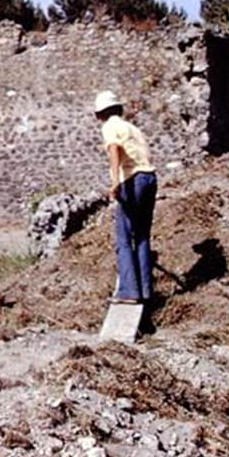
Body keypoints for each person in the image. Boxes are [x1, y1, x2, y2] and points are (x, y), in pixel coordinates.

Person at [94, 90, 157, 305]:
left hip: (133, 180)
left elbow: (114, 149)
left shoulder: (110, 126)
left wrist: (115, 182)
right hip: (150, 178)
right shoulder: (133, 129)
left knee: (123, 237)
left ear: (100, 114)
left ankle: (129, 291)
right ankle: (146, 290)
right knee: (141, 237)